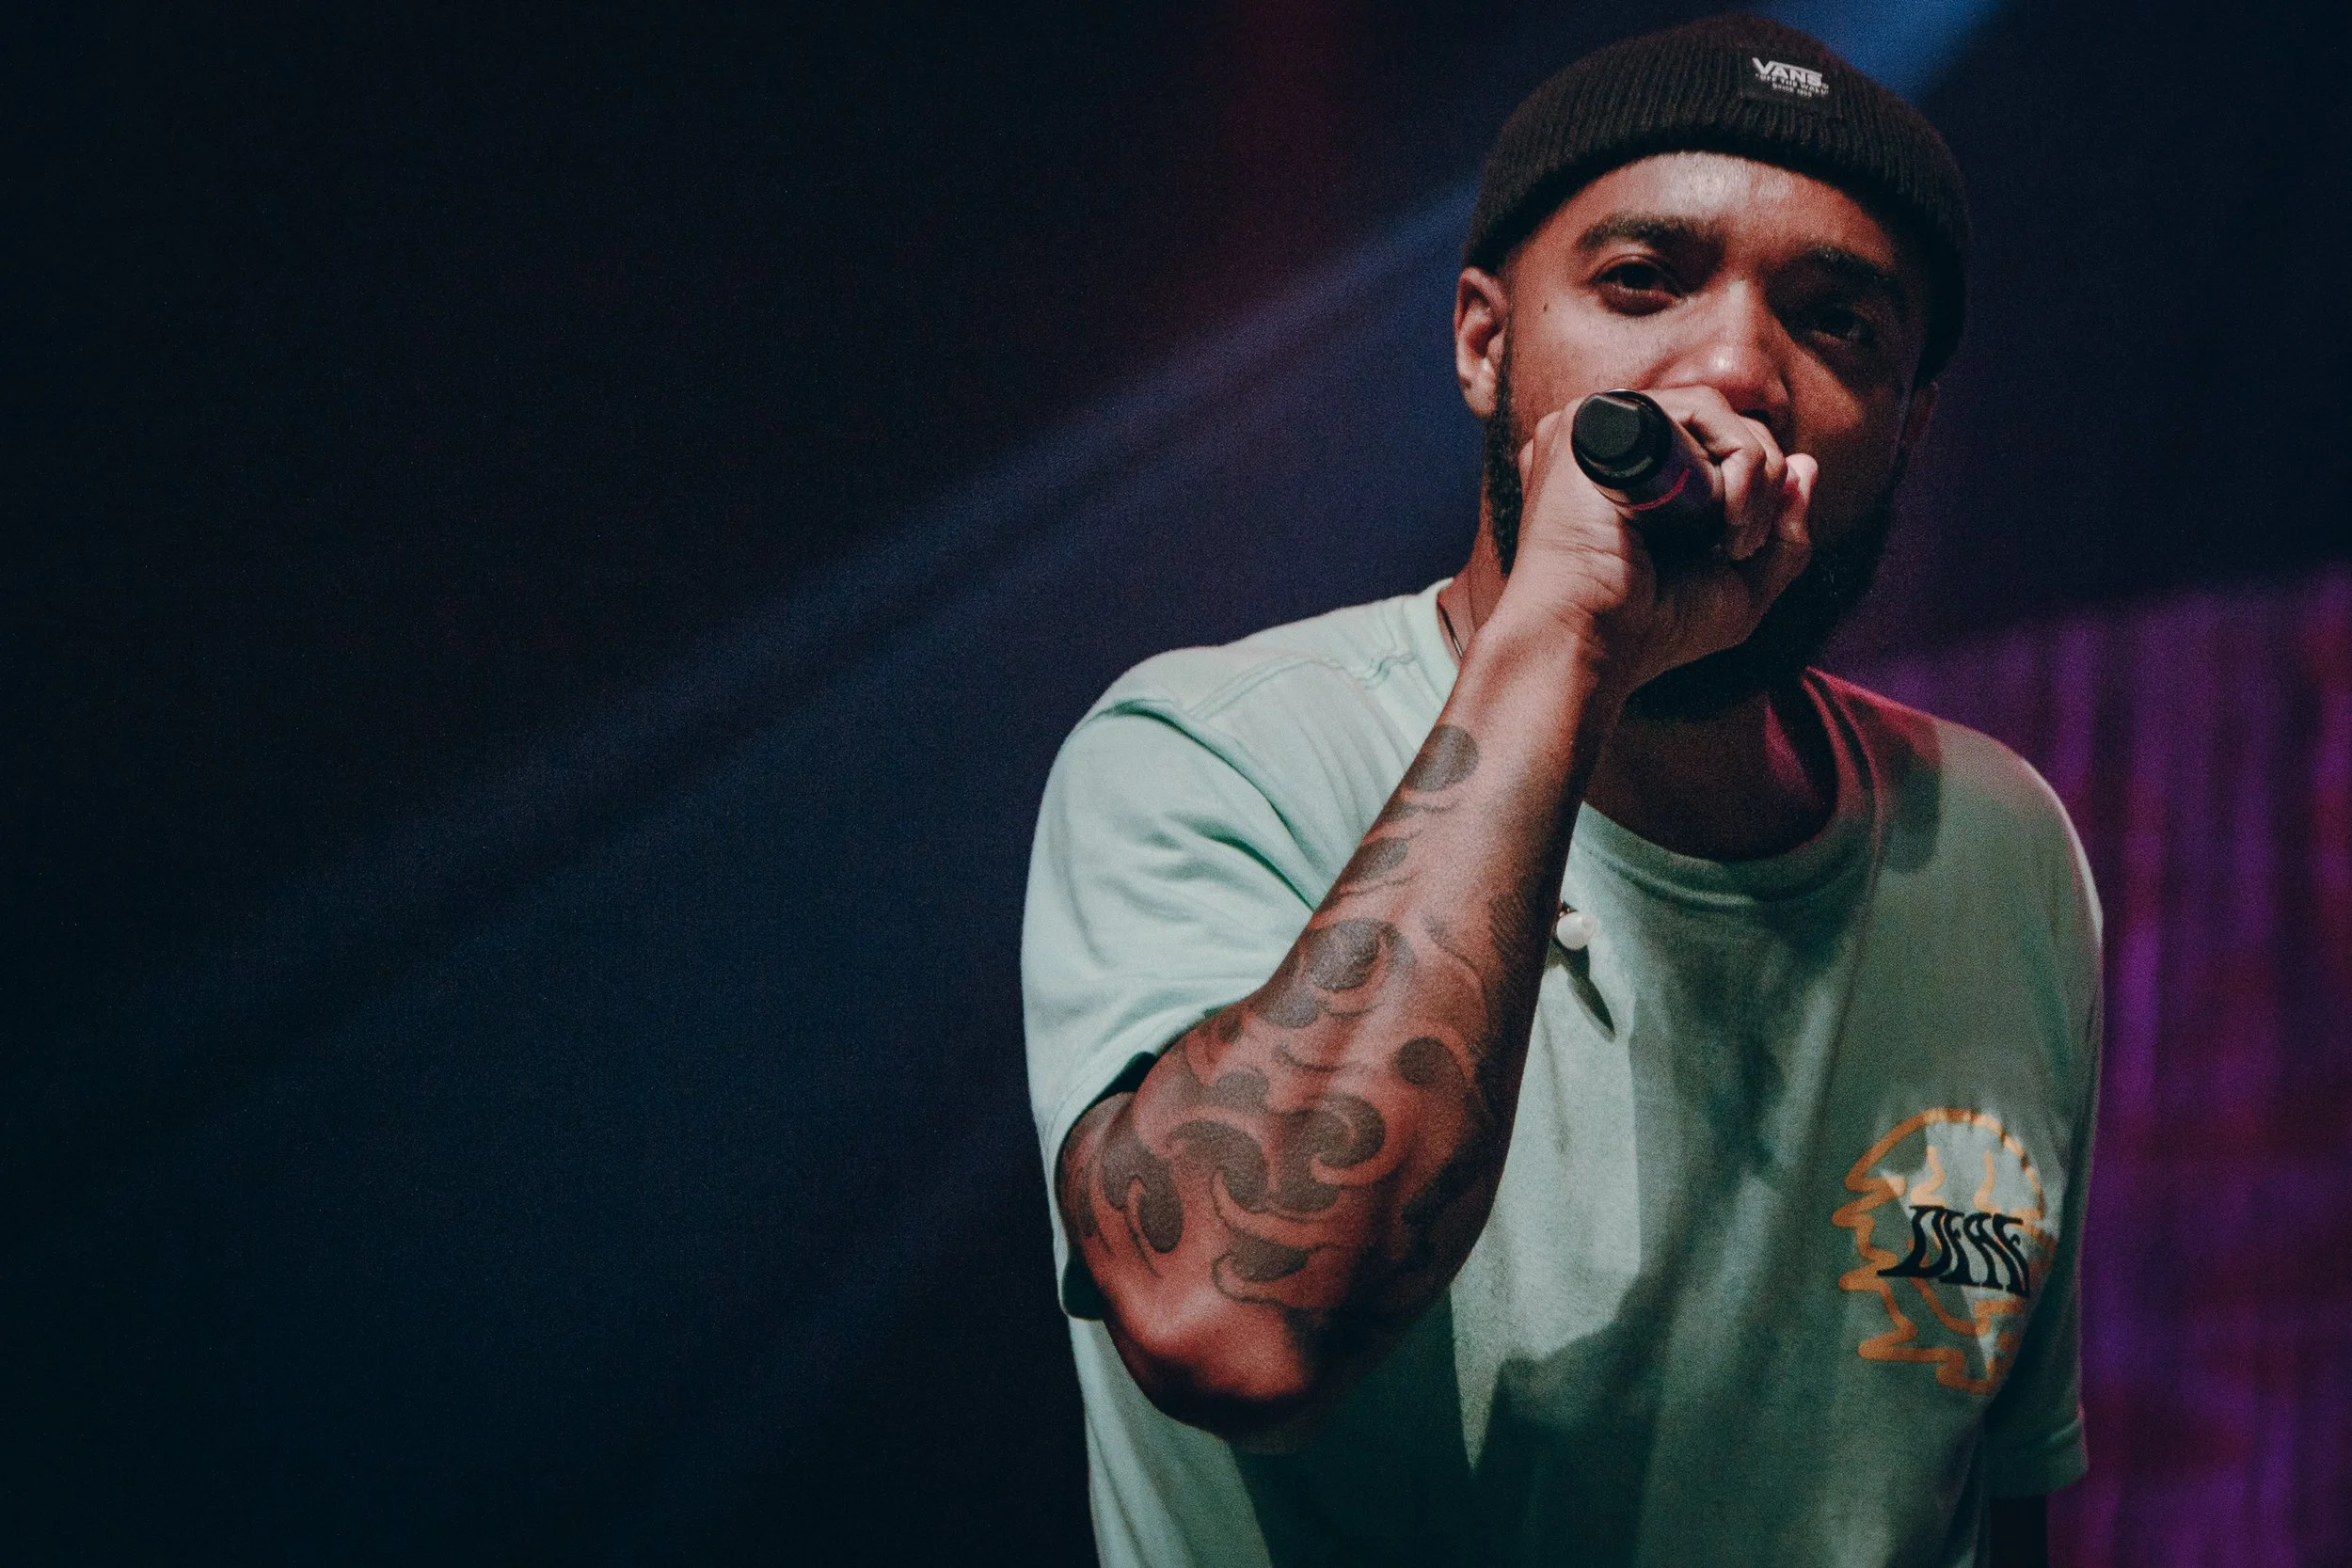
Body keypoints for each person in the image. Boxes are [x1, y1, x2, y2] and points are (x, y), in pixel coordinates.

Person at [1022, 13, 2100, 1566]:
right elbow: (1231, 1324)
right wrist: (1568, 640)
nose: (1737, 368)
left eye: (1838, 323)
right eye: (1643, 281)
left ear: (1911, 423)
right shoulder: (1217, 751)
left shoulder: (1996, 848)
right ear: (1485, 344)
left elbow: (1992, 1495)